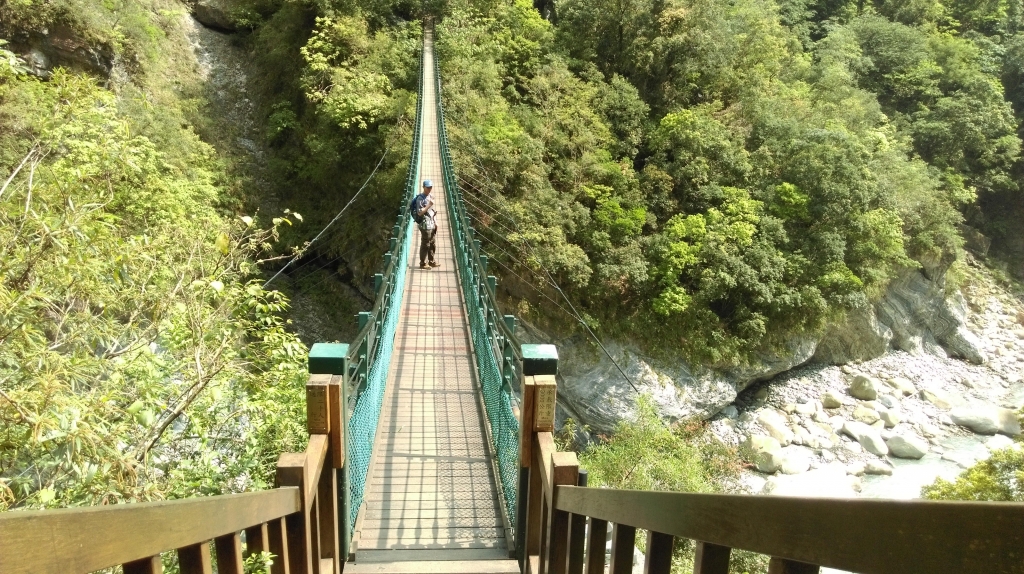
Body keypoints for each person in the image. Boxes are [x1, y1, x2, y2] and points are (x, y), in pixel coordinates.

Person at [410, 179, 439, 269]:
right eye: (427, 187)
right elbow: (420, 212)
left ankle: (431, 261)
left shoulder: (430, 196)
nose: (429, 189)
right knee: (425, 243)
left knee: (432, 243)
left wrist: (435, 221)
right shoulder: (420, 198)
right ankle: (422, 263)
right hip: (424, 224)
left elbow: (431, 211)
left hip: (431, 223)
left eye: (430, 187)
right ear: (423, 187)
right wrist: (429, 204)